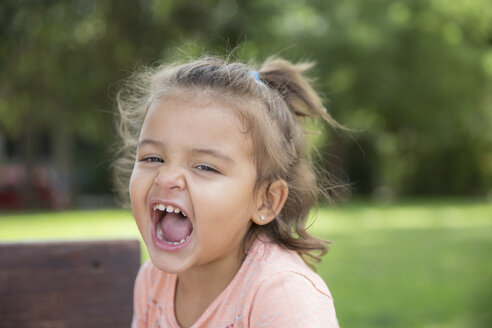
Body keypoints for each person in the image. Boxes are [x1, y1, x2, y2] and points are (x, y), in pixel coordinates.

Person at [114, 56, 342, 328]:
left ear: (266, 201)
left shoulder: (282, 295)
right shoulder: (153, 281)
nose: (167, 177)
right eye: (153, 158)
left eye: (204, 166)